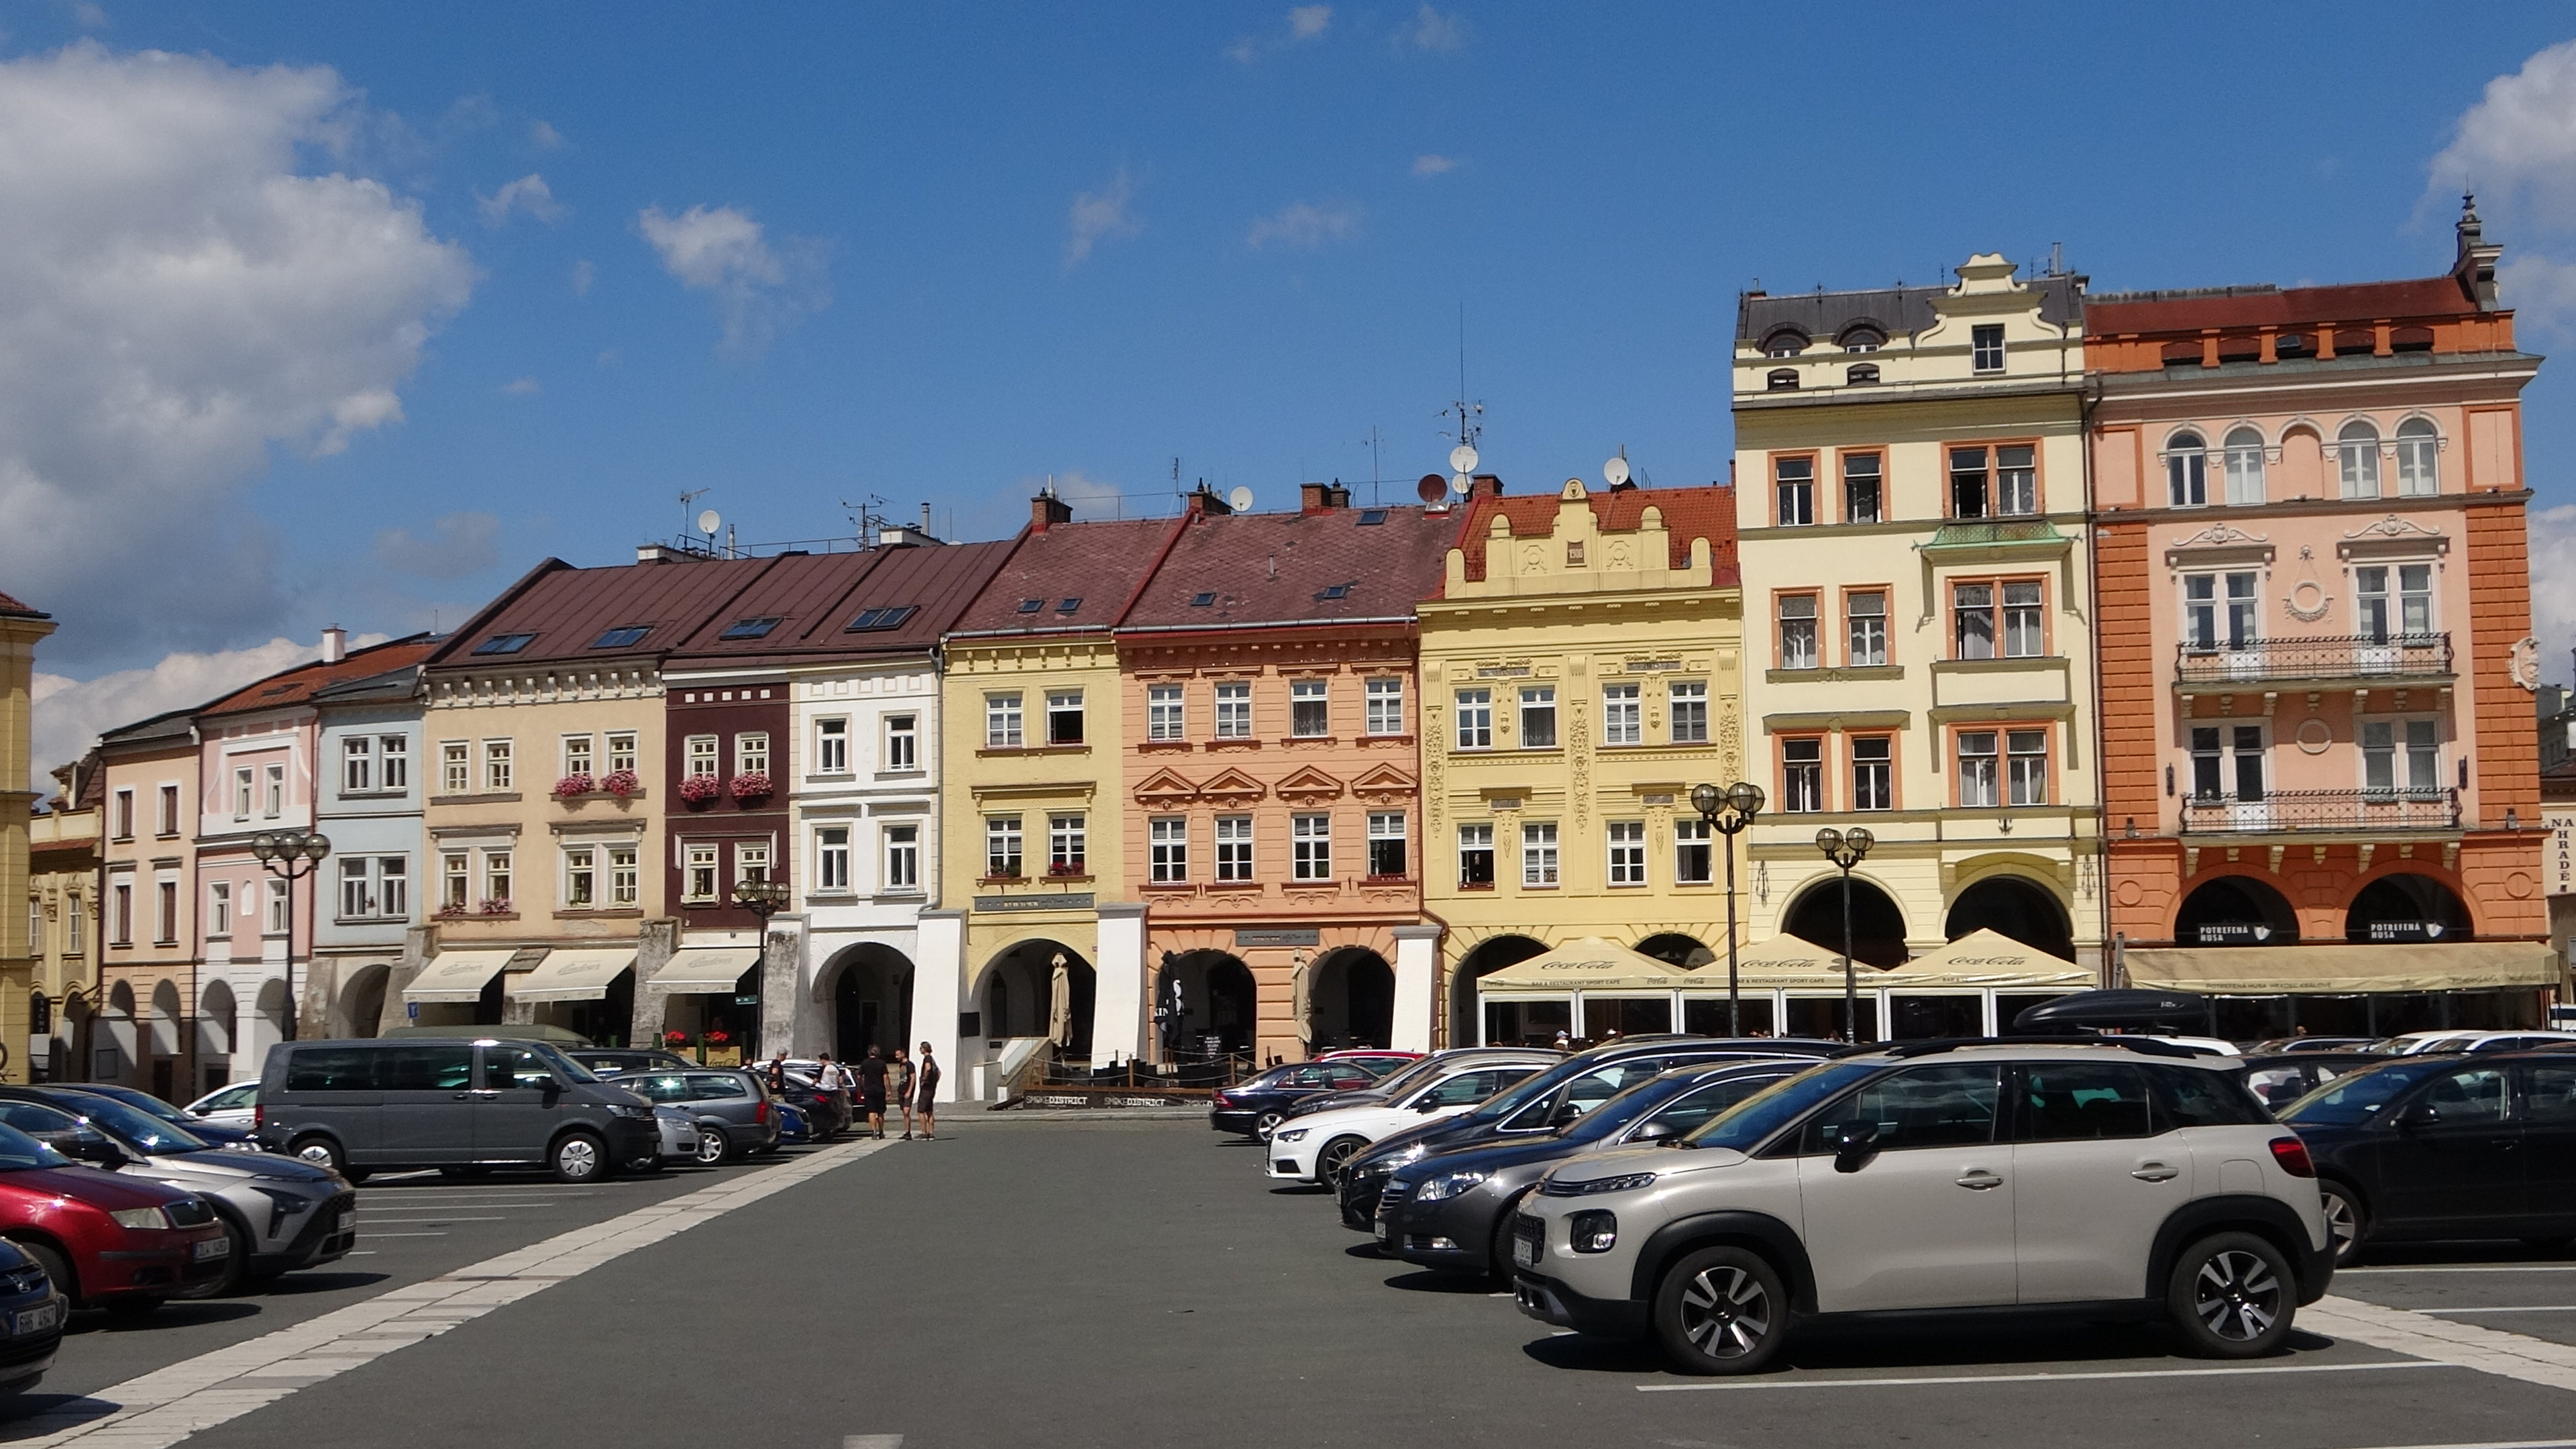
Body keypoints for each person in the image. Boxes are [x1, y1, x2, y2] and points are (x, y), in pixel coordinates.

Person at [856, 1044, 890, 1138]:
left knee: (871, 1111)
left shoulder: (865, 1063)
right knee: (880, 1112)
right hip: (880, 1089)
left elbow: (859, 1076)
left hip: (869, 1090)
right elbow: (886, 1077)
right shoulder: (882, 1063)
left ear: (869, 1053)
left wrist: (861, 1086)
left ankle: (874, 1131)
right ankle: (881, 1131)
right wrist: (888, 1090)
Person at [914, 1041, 940, 1140]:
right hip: (931, 1088)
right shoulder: (933, 1060)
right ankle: (931, 1133)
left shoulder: (927, 1059)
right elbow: (939, 1073)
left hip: (926, 1088)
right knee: (929, 1111)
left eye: (921, 1048)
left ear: (925, 1049)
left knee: (921, 1111)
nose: (920, 1050)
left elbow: (928, 1068)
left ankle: (924, 1133)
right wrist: (935, 1083)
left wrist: (924, 1079)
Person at [890, 1046, 917, 1139]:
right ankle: (907, 1132)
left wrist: (909, 1091)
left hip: (907, 1090)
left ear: (903, 1054)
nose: (896, 1057)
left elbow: (913, 1078)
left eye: (898, 1055)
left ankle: (908, 1132)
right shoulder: (901, 1065)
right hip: (901, 1090)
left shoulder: (910, 1065)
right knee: (904, 1112)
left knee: (906, 1111)